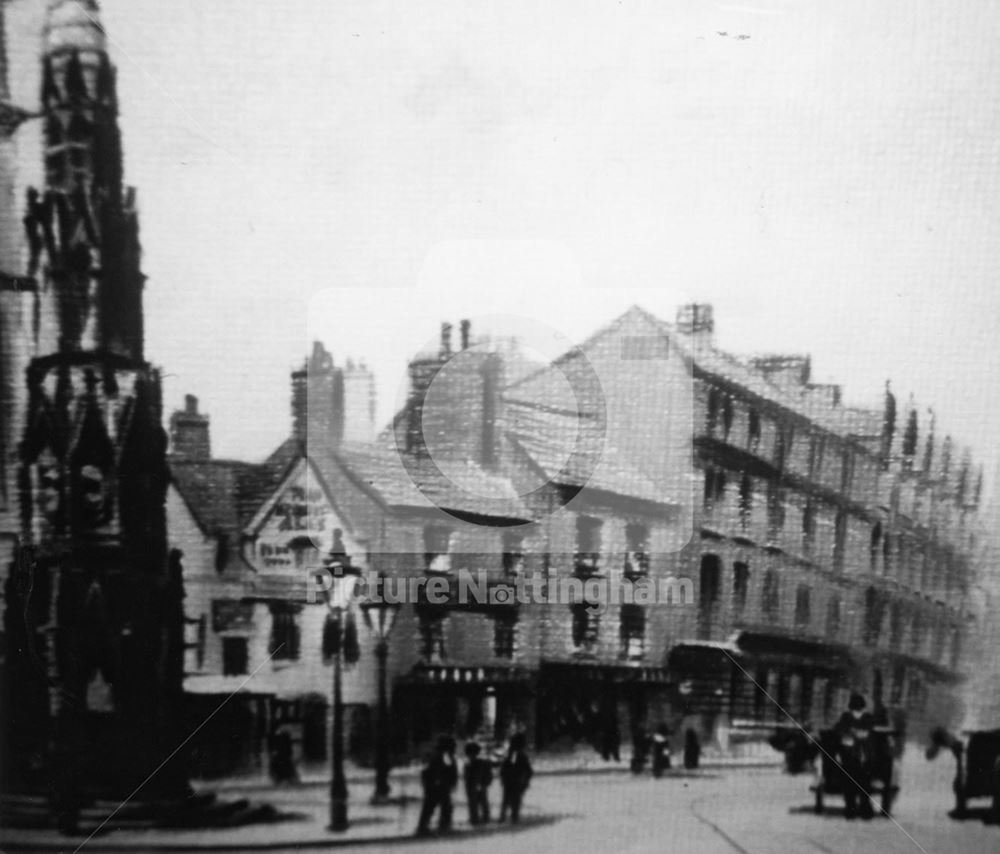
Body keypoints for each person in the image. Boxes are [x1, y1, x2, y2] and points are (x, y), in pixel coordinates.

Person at [835, 693, 875, 820]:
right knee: (862, 783)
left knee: (852, 783)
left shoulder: (848, 717)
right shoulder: (865, 717)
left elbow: (840, 731)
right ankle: (862, 808)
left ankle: (853, 808)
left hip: (857, 755)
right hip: (855, 755)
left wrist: (852, 733)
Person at [416, 736, 458, 836]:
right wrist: (449, 782)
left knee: (429, 806)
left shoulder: (436, 755)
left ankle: (423, 826)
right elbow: (447, 769)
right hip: (440, 786)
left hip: (434, 785)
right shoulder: (445, 756)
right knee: (444, 806)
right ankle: (444, 825)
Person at [499, 733, 533, 823]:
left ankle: (505, 816)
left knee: (508, 799)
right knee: (514, 800)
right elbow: (513, 766)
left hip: (512, 780)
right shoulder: (517, 754)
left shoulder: (514, 754)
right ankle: (512, 816)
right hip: (515, 780)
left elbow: (508, 766)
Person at [463, 741, 493, 825]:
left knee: (475, 803)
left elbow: (473, 775)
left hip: (475, 785)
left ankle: (476, 819)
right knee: (481, 802)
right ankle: (482, 818)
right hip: (477, 785)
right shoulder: (477, 762)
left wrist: (480, 784)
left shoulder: (476, 763)